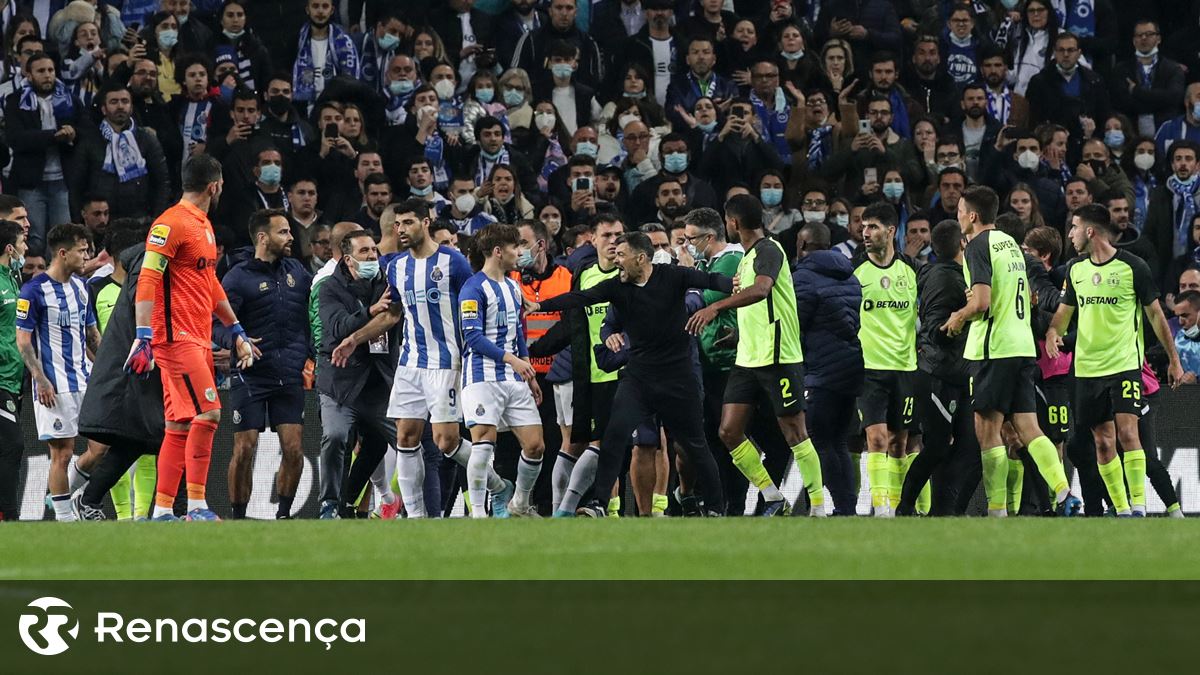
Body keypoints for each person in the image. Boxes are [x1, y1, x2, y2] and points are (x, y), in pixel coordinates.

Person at [529, 231, 732, 517]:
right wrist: (540, 306)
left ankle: (714, 507)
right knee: (614, 437)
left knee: (694, 444)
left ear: (641, 257)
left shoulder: (673, 276)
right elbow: (580, 297)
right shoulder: (617, 286)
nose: (616, 260)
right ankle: (599, 503)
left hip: (678, 379)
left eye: (621, 255)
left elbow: (712, 282)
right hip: (638, 378)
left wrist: (735, 287)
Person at [330, 199, 497, 519]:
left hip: (447, 363)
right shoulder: (396, 267)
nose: (401, 229)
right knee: (406, 438)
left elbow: (476, 304)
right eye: (397, 224)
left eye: (408, 223)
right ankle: (417, 519)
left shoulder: (454, 263)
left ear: (426, 222)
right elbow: (392, 314)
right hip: (409, 363)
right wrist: (354, 338)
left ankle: (494, 483)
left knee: (446, 442)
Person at [124, 154, 257, 521]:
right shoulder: (170, 224)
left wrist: (235, 329)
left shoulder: (203, 226)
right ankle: (196, 505)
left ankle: (164, 509)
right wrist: (143, 334)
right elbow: (148, 278)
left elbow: (209, 282)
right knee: (210, 411)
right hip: (174, 338)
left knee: (179, 423)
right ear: (214, 186)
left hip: (197, 336)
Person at [941, 185, 1080, 518]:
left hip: (994, 348)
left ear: (972, 215)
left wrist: (958, 317)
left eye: (961, 210)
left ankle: (997, 510)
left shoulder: (977, 246)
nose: (958, 215)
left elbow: (983, 301)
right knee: (1029, 429)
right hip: (1021, 347)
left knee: (988, 431)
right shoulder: (1012, 246)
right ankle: (1064, 493)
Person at [686, 194, 824, 516]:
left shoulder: (768, 250)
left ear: (733, 223)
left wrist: (715, 306)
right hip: (748, 358)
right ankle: (773, 496)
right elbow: (759, 305)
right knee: (728, 431)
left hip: (778, 356)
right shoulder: (747, 257)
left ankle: (818, 506)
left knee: (795, 431)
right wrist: (740, 331)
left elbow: (762, 289)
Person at [1045, 204, 1185, 517]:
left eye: (1075, 227)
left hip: (1124, 366)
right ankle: (1121, 510)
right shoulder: (1076, 270)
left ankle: (1138, 506)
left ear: (1090, 231)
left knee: (1128, 433)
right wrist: (1055, 332)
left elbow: (1156, 315)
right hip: (1086, 370)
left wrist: (1173, 359)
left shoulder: (1133, 267)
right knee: (1103, 443)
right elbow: (1063, 315)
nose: (1071, 233)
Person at [219, 209, 312, 520]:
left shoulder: (297, 272)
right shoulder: (237, 277)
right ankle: (238, 517)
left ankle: (283, 516)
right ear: (262, 237)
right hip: (250, 376)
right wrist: (237, 340)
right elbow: (214, 323)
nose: (290, 238)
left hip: (289, 375)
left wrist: (309, 354)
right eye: (283, 232)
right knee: (244, 449)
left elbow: (312, 315)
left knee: (294, 449)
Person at [16, 224, 102, 522]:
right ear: (63, 253)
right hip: (54, 386)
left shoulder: (81, 287)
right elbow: (23, 341)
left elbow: (92, 335)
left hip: (86, 380)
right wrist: (40, 379)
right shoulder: (33, 291)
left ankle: (61, 498)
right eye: (82, 250)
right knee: (62, 453)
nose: (86, 255)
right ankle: (65, 520)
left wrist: (106, 370)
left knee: (103, 445)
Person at [459, 224, 545, 518]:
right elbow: (473, 337)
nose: (519, 253)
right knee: (483, 441)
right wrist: (512, 360)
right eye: (514, 248)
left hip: (513, 376)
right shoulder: (472, 288)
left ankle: (519, 503)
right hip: (482, 377)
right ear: (498, 252)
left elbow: (518, 332)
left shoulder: (512, 286)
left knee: (535, 446)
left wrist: (528, 371)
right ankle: (480, 515)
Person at [896, 220, 974, 517]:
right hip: (938, 373)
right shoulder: (948, 280)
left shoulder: (937, 271)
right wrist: (965, 315)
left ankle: (943, 510)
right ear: (962, 246)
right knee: (939, 446)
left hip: (953, 372)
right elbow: (937, 331)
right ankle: (907, 507)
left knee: (961, 445)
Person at [792, 220, 863, 516]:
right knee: (837, 440)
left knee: (820, 440)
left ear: (803, 245)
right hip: (851, 366)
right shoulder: (851, 276)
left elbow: (796, 324)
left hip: (820, 370)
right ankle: (846, 507)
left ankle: (834, 506)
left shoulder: (804, 278)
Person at [851, 203, 918, 517]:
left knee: (899, 443)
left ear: (892, 231)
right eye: (864, 226)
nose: (866, 233)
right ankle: (881, 508)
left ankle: (900, 505)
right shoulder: (854, 270)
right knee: (876, 438)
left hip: (905, 368)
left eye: (874, 226)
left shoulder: (912, 269)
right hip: (869, 369)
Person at [5, 51, 81, 256]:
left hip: (62, 180)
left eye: (50, 70)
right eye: (41, 71)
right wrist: (53, 137)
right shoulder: (15, 101)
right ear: (28, 75)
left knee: (62, 238)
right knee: (34, 239)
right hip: (31, 183)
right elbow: (17, 139)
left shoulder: (70, 99)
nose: (47, 75)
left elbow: (84, 129)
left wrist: (73, 133)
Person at [69, 83, 170, 221]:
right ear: (104, 109)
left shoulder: (146, 139)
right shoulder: (89, 141)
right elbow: (76, 187)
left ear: (131, 107)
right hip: (102, 221)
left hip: (141, 218)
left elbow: (162, 182)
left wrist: (158, 219)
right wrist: (79, 224)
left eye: (125, 101)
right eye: (114, 102)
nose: (120, 106)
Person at [0, 220, 27, 521]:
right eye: (22, 243)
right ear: (9, 248)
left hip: (13, 377)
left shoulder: (13, 279)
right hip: (0, 378)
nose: (26, 248)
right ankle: (8, 516)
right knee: (13, 444)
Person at [292, 0, 359, 108]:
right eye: (315, 6)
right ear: (307, 9)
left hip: (336, 106)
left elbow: (350, 81)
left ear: (332, 10)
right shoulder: (297, 39)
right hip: (303, 107)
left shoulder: (344, 43)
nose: (320, 11)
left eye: (325, 6)